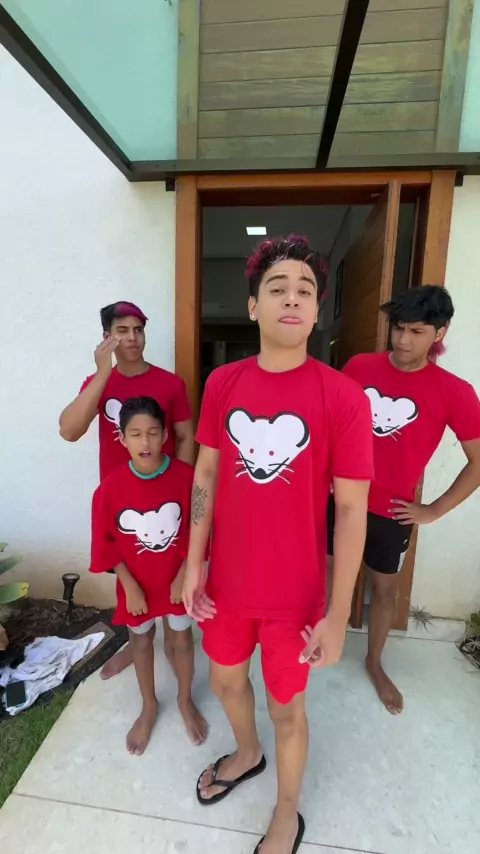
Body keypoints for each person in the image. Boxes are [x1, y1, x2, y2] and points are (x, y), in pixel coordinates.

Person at [182, 236, 374, 854]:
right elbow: (206, 474)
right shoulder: (223, 383)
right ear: (253, 306)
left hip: (296, 596)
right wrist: (193, 563)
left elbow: (352, 509)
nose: (292, 299)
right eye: (277, 288)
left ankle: (287, 813)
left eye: (305, 290)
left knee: (287, 708)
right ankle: (247, 752)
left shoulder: (341, 396)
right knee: (226, 683)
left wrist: (339, 615)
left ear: (316, 311)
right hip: (226, 585)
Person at [327, 285, 480, 715]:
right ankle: (320, 638)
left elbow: (478, 462)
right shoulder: (359, 367)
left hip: (391, 511)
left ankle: (374, 662)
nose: (403, 340)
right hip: (339, 498)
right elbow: (329, 424)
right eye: (398, 328)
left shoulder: (454, 392)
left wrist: (434, 509)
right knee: (327, 572)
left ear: (440, 333)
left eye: (416, 331)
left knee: (384, 589)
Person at [59, 301, 194, 678]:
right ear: (107, 337)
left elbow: (185, 436)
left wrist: (182, 485)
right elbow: (69, 430)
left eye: (138, 329)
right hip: (120, 501)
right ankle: (138, 644)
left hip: (165, 498)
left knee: (166, 570)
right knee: (131, 577)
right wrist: (103, 373)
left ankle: (169, 640)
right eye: (122, 331)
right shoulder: (99, 383)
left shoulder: (169, 384)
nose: (132, 338)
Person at [90, 395, 207, 754]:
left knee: (182, 640)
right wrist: (129, 586)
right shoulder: (109, 490)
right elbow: (106, 544)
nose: (145, 442)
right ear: (122, 439)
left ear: (165, 436)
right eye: (136, 434)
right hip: (136, 586)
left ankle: (185, 699)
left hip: (177, 582)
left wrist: (183, 575)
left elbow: (200, 529)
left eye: (154, 432)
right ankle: (149, 704)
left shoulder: (188, 479)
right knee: (141, 641)